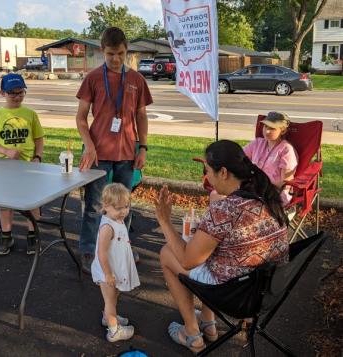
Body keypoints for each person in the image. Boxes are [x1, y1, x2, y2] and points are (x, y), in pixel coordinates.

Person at [155, 140, 289, 354]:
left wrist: (164, 220)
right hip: (269, 289)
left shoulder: (226, 208)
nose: (206, 176)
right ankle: (208, 324)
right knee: (212, 254)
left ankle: (192, 334)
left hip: (237, 295)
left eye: (207, 170)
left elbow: (187, 260)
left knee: (167, 253)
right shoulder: (267, 195)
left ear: (223, 172)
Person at [76, 26, 153, 272]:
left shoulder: (136, 80)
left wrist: (143, 148)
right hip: (99, 154)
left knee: (123, 206)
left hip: (128, 155)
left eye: (120, 53)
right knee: (95, 206)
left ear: (127, 51)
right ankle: (89, 250)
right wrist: (89, 146)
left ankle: (121, 246)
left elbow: (141, 116)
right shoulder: (93, 78)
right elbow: (80, 118)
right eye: (110, 54)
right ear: (102, 51)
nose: (116, 59)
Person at [0, 73, 44, 256]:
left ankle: (34, 234)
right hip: (5, 167)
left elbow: (39, 138)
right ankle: (6, 234)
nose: (17, 97)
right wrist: (6, 151)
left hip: (28, 166)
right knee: (5, 203)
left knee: (32, 201)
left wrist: (38, 157)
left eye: (21, 93)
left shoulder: (30, 114)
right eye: (12, 93)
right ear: (3, 93)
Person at [210, 112, 297, 207]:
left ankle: (231, 219)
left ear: (283, 131)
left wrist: (258, 188)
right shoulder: (257, 143)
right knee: (215, 195)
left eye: (272, 128)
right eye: (265, 127)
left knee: (239, 203)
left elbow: (286, 182)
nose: (267, 131)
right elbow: (237, 156)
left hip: (274, 192)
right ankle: (220, 220)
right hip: (252, 187)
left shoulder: (286, 150)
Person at [91, 183, 140, 342]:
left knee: (114, 295)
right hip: (107, 271)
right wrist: (107, 274)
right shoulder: (107, 227)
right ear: (106, 206)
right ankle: (114, 331)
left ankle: (108, 317)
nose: (123, 211)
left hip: (115, 269)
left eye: (126, 206)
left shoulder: (117, 220)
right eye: (119, 208)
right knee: (110, 300)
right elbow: (101, 253)